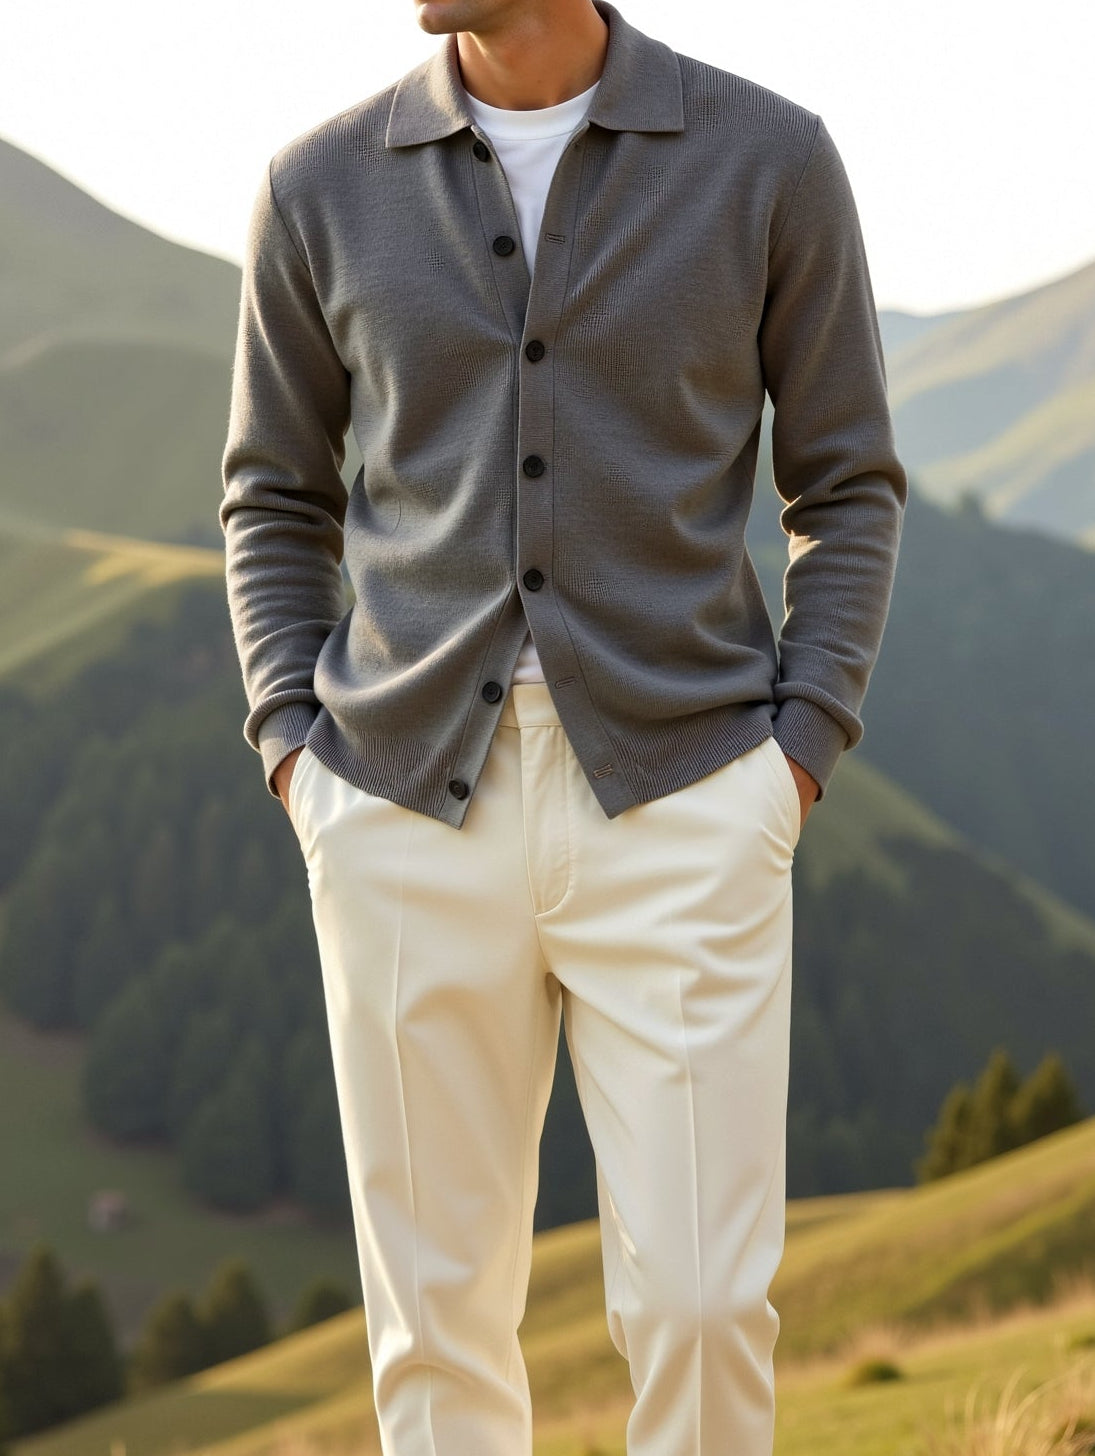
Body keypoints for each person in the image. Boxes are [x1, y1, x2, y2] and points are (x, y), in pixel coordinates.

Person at [219, 0, 907, 1450]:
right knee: (437, 1329)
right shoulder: (318, 184)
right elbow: (274, 495)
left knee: (708, 1309)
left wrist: (797, 755)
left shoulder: (768, 158)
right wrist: (296, 747)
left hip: (691, 794)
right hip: (398, 808)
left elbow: (846, 486)